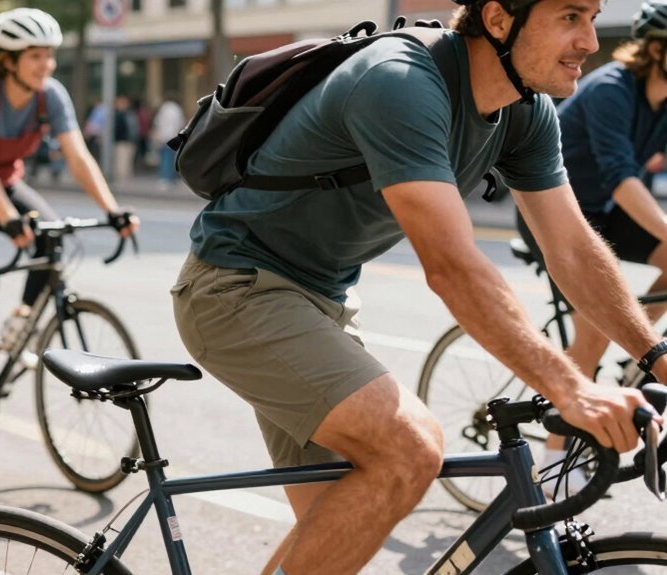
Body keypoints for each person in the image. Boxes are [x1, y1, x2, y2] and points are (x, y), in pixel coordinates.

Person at [170, 0, 664, 572]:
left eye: (593, 18)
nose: (591, 42)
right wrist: (572, 390)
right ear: (501, 19)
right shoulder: (400, 81)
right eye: (570, 17)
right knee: (409, 451)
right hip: (236, 290)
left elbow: (574, 250)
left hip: (323, 301)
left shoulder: (524, 111)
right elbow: (452, 265)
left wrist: (655, 357)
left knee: (331, 535)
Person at [0, 7, 139, 427]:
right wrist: (8, 220)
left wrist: (112, 210)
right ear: (10, 60)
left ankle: (20, 320)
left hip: (2, 185)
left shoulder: (51, 94)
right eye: (35, 56)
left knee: (51, 238)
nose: (46, 65)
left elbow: (78, 157)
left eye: (49, 55)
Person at [515, 0, 667, 496]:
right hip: (557, 212)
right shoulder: (610, 90)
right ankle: (553, 458)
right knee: (597, 324)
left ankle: (634, 354)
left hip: (607, 214)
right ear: (659, 50)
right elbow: (623, 178)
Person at [150, 94, 186, 190]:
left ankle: (165, 179)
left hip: (163, 137)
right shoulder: (177, 109)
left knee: (165, 159)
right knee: (173, 159)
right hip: (174, 137)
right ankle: (172, 179)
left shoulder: (163, 109)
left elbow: (158, 123)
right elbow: (181, 123)